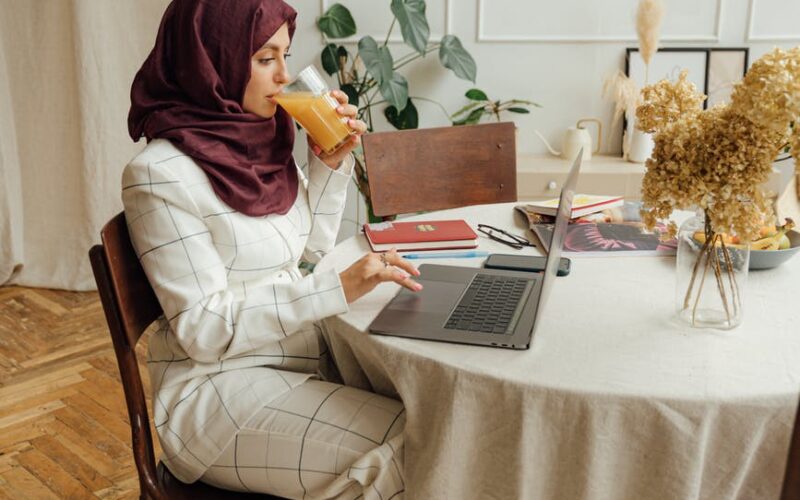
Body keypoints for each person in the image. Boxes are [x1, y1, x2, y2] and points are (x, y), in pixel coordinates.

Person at [122, 1, 421, 498]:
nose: (285, 75)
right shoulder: (160, 176)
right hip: (217, 393)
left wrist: (329, 164)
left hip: (298, 357)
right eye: (265, 58)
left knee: (440, 416)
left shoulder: (259, 142)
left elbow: (306, 254)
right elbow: (202, 331)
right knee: (415, 447)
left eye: (286, 55)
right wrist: (334, 290)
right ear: (211, 60)